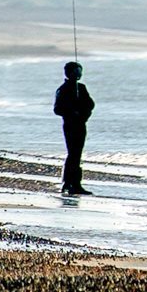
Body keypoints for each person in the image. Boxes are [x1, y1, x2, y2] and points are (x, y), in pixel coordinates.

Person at [52, 61, 94, 196]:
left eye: (79, 71)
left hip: (81, 124)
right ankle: (71, 183)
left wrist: (83, 114)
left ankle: (72, 183)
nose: (78, 74)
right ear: (69, 73)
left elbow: (90, 104)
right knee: (73, 153)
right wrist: (71, 112)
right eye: (76, 71)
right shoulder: (63, 89)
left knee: (77, 153)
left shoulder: (81, 88)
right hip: (70, 125)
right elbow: (57, 109)